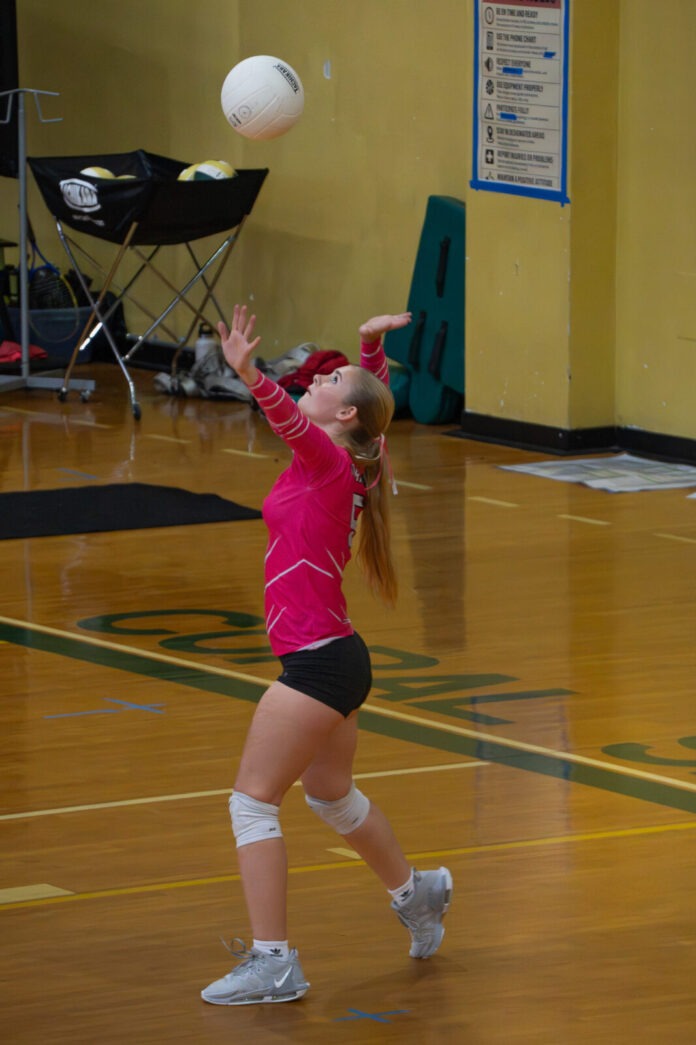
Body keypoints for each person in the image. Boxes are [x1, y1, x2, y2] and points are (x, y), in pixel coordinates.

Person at [201, 304, 452, 1007]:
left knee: (253, 803)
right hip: (336, 656)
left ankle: (274, 961)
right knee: (330, 794)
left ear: (338, 416)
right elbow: (372, 413)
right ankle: (417, 891)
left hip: (317, 662)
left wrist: (249, 373)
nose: (315, 380)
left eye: (329, 379)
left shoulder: (326, 459)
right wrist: (369, 352)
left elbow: (296, 418)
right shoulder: (355, 460)